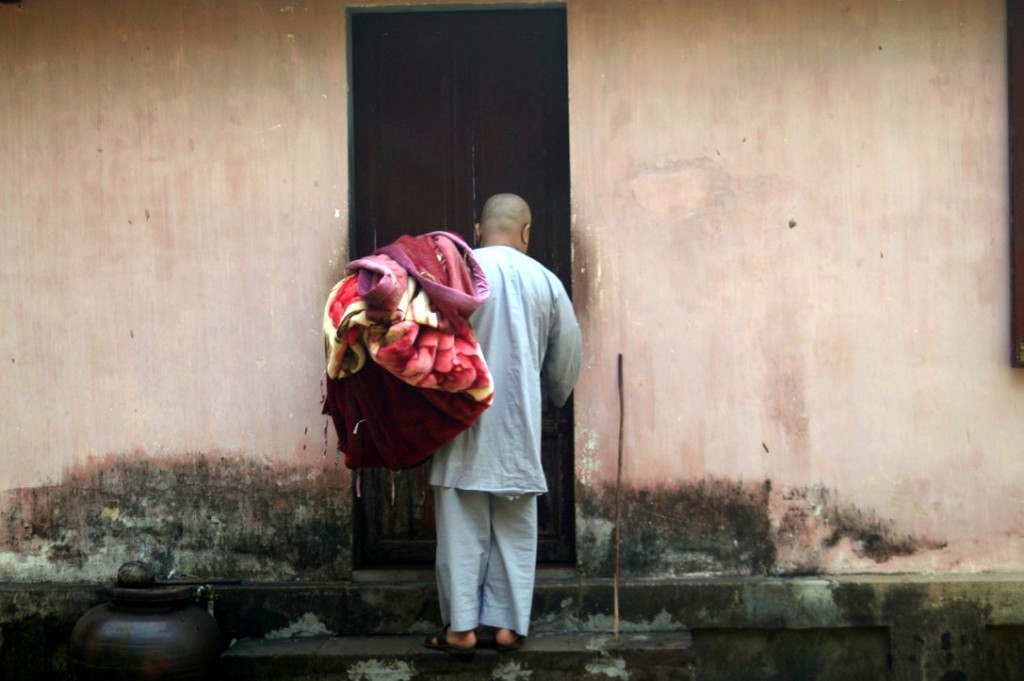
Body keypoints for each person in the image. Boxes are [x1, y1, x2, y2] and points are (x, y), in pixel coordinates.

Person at [424, 193, 582, 654]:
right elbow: (567, 354)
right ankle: (510, 627)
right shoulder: (546, 281)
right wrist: (552, 395)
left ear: (478, 229)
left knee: (460, 527)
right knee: (515, 529)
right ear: (526, 232)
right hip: (519, 425)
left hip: (458, 421)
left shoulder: (454, 273)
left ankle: (461, 630)